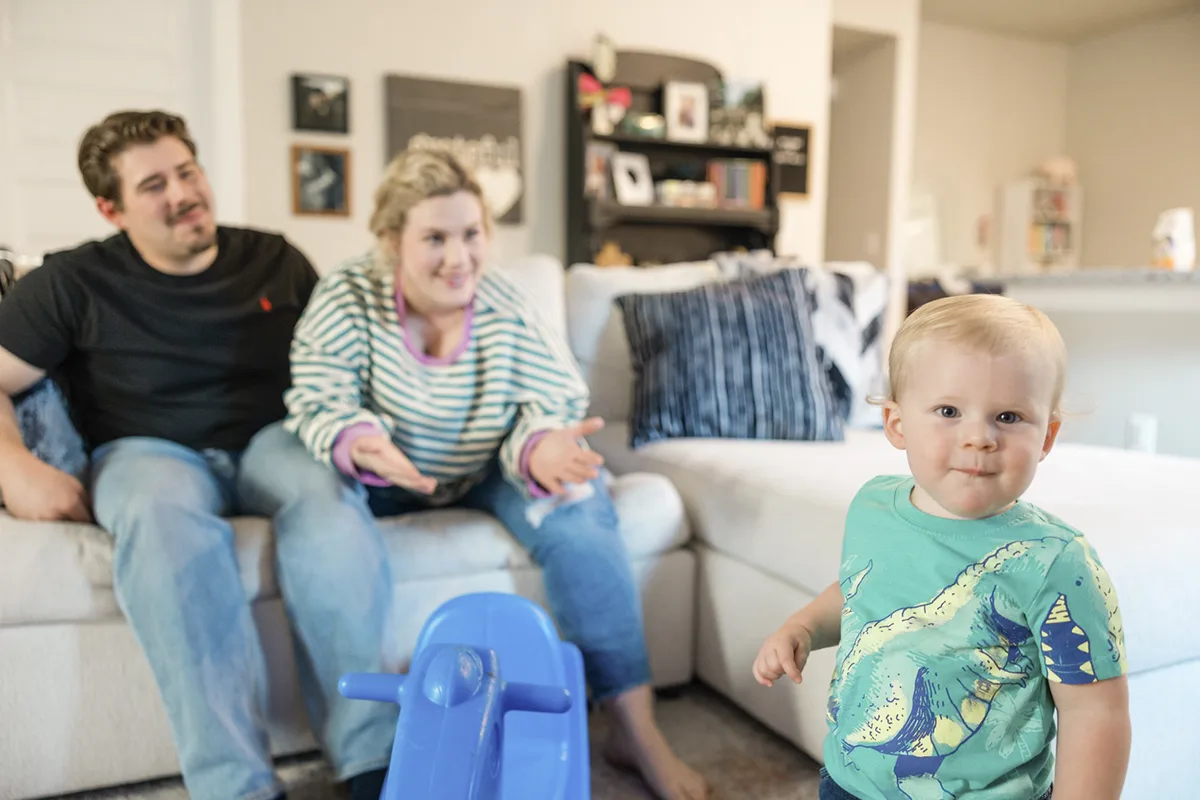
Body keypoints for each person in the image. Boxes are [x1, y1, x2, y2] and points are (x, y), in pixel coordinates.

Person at [281, 147, 709, 800]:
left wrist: (538, 448)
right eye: (435, 238)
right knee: (322, 511)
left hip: (484, 466)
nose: (459, 258)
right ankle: (368, 751)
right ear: (392, 240)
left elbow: (553, 396)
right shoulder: (348, 295)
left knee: (578, 500)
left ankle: (634, 729)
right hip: (379, 474)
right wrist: (358, 440)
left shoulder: (506, 304)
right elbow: (318, 393)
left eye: (471, 234)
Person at [0, 110, 396, 800]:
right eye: (154, 185)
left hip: (275, 439)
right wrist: (15, 467)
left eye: (187, 171)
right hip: (148, 452)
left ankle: (374, 765)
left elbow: (346, 362)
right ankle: (238, 789)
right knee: (160, 524)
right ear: (111, 209)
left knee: (330, 500)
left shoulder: (276, 259)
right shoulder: (71, 282)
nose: (183, 194)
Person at [752, 294, 1130, 800]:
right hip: (849, 783)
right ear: (897, 424)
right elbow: (860, 591)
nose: (979, 437)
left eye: (1009, 416)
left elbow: (1096, 713)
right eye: (949, 411)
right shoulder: (873, 507)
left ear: (1047, 436)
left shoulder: (1056, 562)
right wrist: (803, 626)